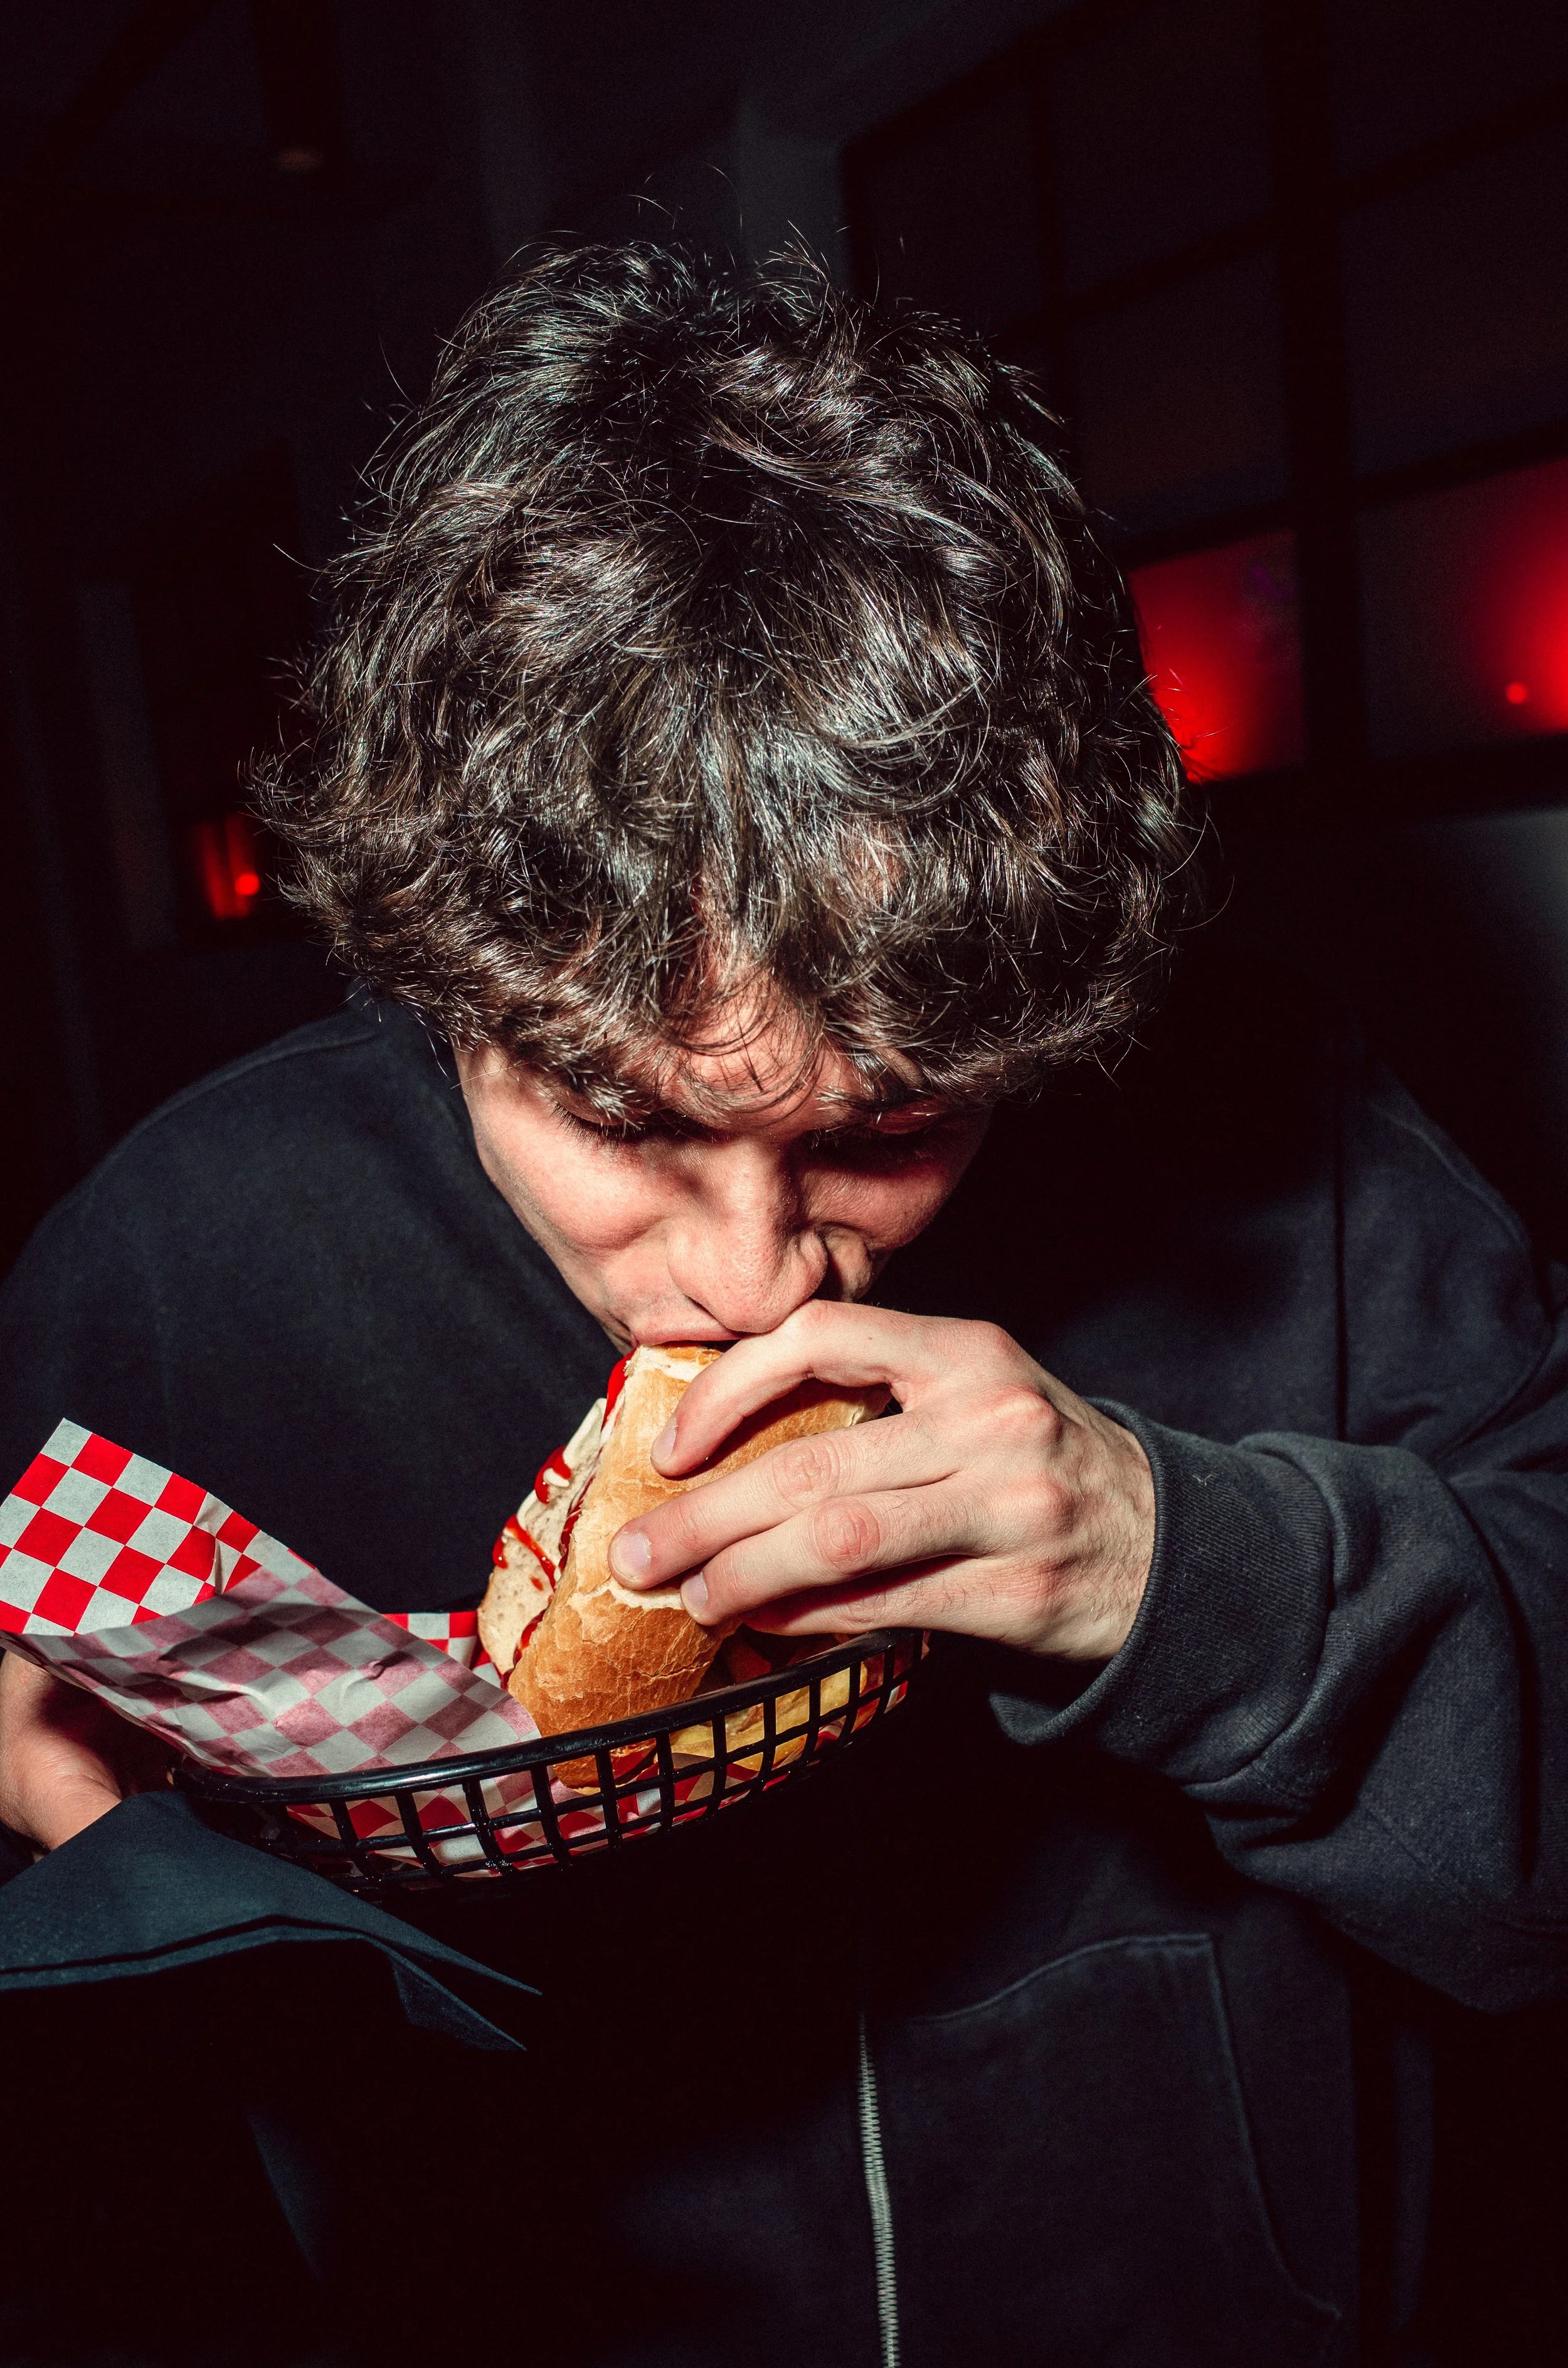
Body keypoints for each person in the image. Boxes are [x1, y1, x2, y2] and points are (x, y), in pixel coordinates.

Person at [1, 245, 1564, 2367]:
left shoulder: (1289, 1144)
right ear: (453, 991)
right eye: (628, 1119)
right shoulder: (175, 1260)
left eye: (894, 1120)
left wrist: (1184, 1570)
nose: (749, 1275)